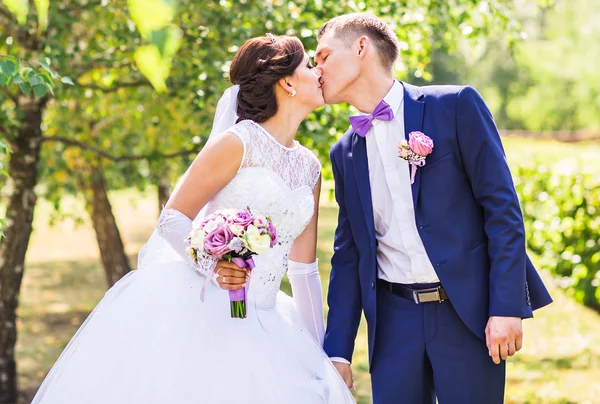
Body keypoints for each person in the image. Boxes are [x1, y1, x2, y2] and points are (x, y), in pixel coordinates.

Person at [32, 34, 355, 404]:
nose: (319, 74)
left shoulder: (310, 167)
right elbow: (172, 219)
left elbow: (304, 269)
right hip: (209, 311)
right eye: (309, 67)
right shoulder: (238, 143)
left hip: (271, 319)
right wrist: (214, 264)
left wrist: (319, 356)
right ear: (286, 82)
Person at [315, 13, 553, 404]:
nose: (316, 69)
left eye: (323, 56)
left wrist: (506, 307)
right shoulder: (345, 151)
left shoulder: (455, 106)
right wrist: (339, 349)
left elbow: (502, 211)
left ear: (361, 48)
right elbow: (349, 253)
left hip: (466, 314)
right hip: (392, 324)